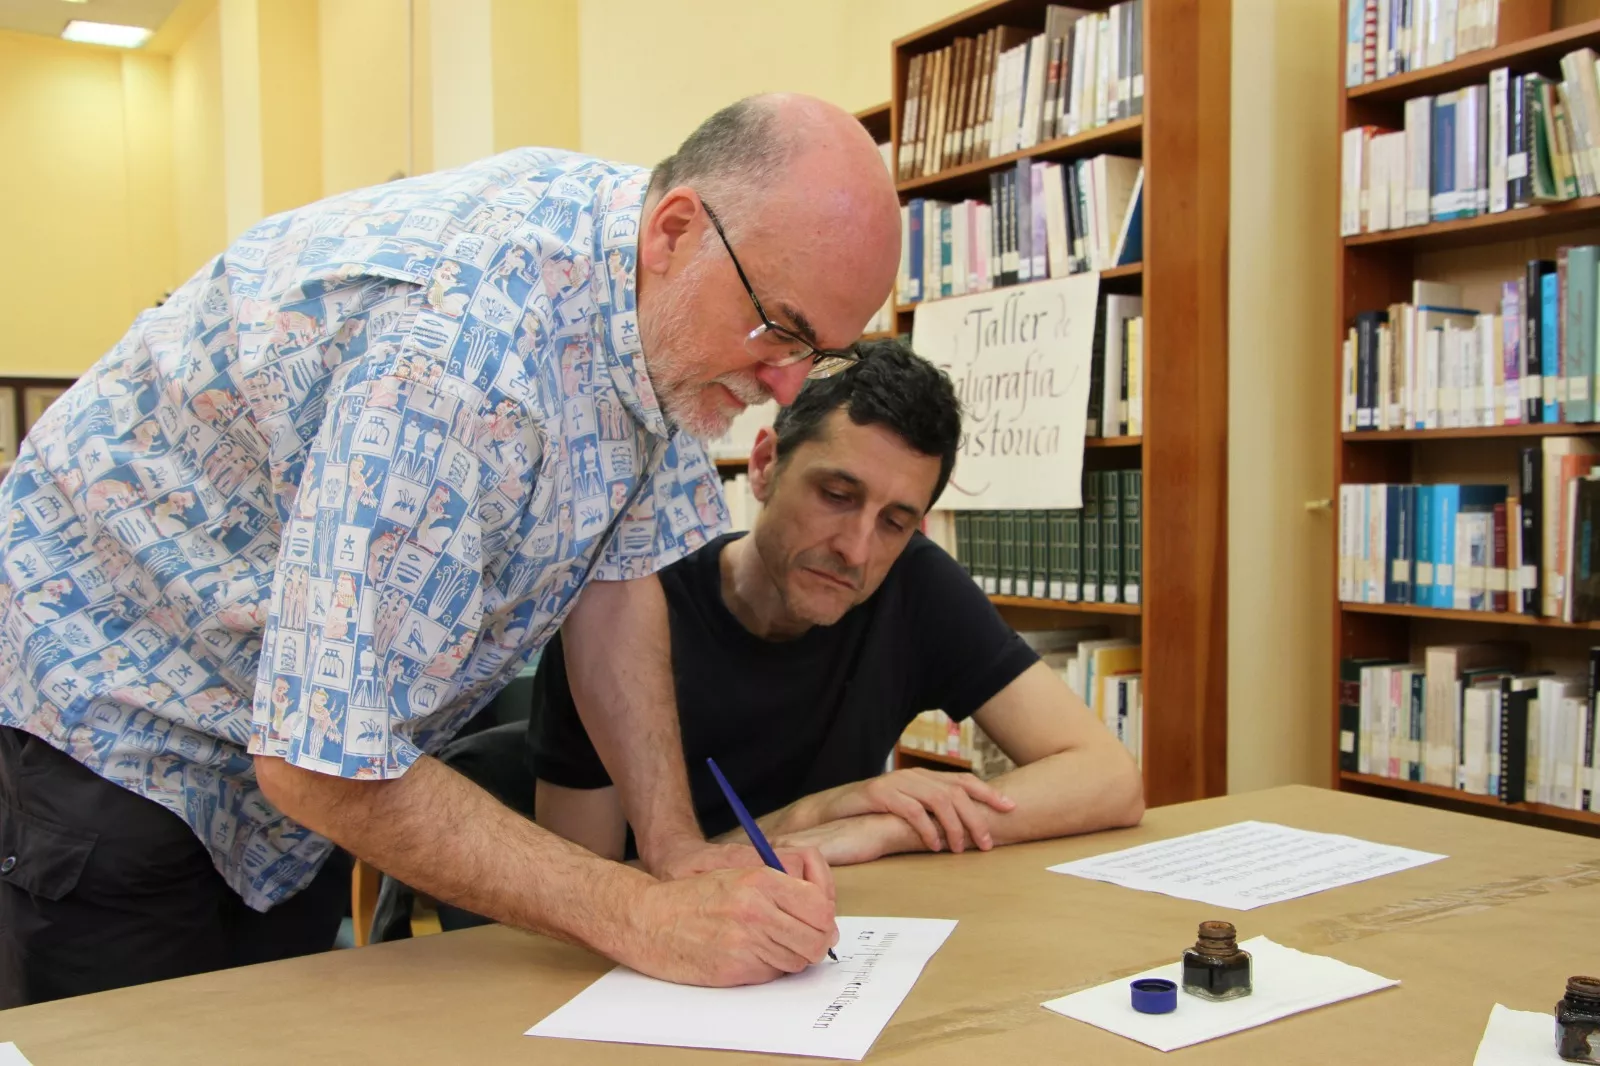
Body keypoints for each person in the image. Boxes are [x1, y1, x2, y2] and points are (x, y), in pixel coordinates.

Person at [0, 92, 902, 1007]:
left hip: (284, 755)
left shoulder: (664, 307)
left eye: (822, 354)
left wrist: (674, 851)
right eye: (781, 330)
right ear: (675, 230)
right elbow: (320, 763)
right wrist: (640, 913)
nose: (786, 387)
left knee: (275, 1030)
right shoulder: (454, 364)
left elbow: (615, 583)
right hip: (114, 713)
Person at [531, 339, 1145, 870]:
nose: (856, 549)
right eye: (836, 495)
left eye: (895, 522)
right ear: (765, 465)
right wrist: (816, 814)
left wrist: (890, 829)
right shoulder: (622, 609)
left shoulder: (913, 584)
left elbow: (1110, 779)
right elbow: (583, 893)